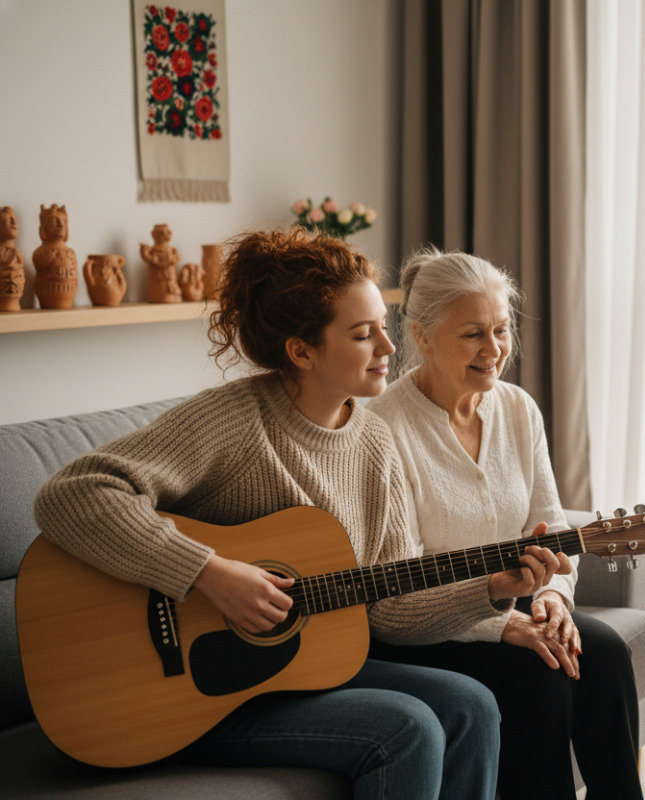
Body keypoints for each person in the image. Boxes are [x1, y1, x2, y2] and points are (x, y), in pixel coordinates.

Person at [32, 228, 570, 799]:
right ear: (302, 350)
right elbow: (72, 493)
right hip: (178, 693)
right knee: (408, 729)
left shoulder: (374, 444)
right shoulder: (231, 423)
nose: (389, 350)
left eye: (383, 330)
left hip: (294, 672)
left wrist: (489, 588)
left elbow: (389, 613)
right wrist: (207, 572)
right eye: (364, 335)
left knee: (471, 706)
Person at [368, 246, 644, 800]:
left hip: (514, 607)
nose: (493, 349)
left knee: (605, 651)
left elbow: (549, 524)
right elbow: (397, 593)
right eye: (473, 333)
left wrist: (553, 603)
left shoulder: (518, 408)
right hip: (425, 630)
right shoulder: (381, 431)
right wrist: (502, 623)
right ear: (421, 335)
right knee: (540, 678)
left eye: (500, 329)